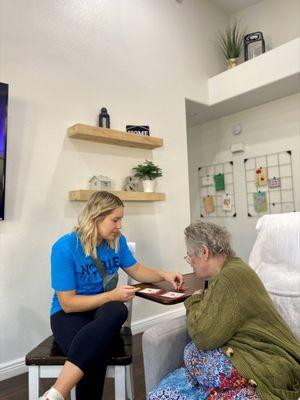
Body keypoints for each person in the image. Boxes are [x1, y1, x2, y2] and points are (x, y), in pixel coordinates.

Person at [40, 191, 183, 400]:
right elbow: (68, 303)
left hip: (102, 314)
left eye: (120, 220)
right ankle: (58, 392)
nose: (119, 226)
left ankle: (55, 394)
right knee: (96, 351)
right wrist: (111, 295)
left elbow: (137, 270)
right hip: (67, 315)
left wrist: (165, 274)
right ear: (96, 218)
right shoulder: (65, 248)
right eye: (114, 220)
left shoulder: (116, 241)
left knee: (117, 309)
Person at [149, 221, 300, 400]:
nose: (191, 263)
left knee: (192, 352)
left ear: (204, 252)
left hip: (269, 363)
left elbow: (203, 337)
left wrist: (194, 301)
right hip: (274, 358)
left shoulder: (227, 279)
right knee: (189, 357)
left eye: (190, 257)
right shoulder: (235, 268)